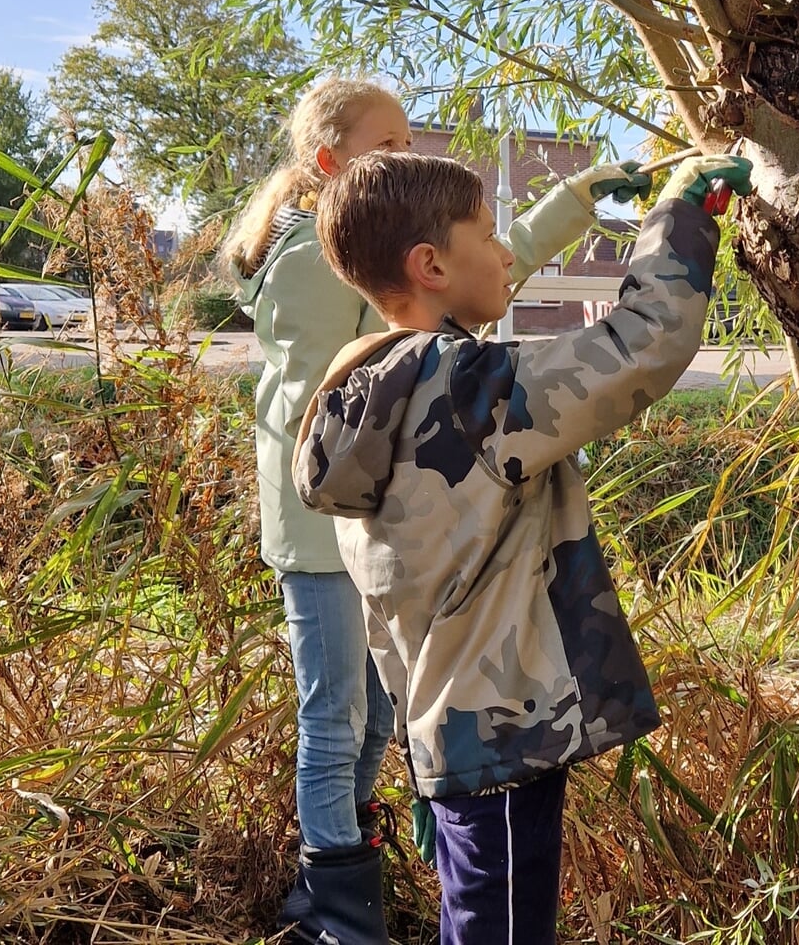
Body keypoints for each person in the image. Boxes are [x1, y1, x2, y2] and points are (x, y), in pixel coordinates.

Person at [221, 77, 654, 944]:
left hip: (382, 524)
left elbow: (466, 267)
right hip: (333, 529)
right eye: (389, 148)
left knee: (383, 710)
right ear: (328, 162)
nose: (409, 157)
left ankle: (384, 854)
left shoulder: (355, 244)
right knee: (335, 714)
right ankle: (334, 897)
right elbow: (351, 384)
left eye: (409, 140)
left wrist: (569, 203)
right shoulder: (316, 256)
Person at [293, 149, 752, 944]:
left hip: (449, 733)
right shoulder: (469, 395)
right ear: (431, 263)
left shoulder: (369, 387)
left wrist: (574, 201)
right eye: (487, 233)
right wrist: (678, 215)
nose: (508, 253)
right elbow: (644, 343)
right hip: (500, 738)